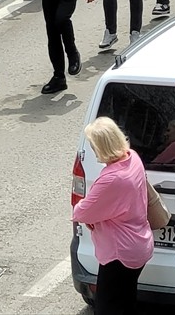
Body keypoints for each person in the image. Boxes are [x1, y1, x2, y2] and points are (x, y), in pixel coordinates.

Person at [71, 117, 154, 314]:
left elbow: (80, 211)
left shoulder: (112, 179)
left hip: (119, 253)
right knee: (125, 300)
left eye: (93, 145)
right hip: (139, 244)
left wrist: (94, 217)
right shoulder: (132, 157)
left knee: (107, 307)